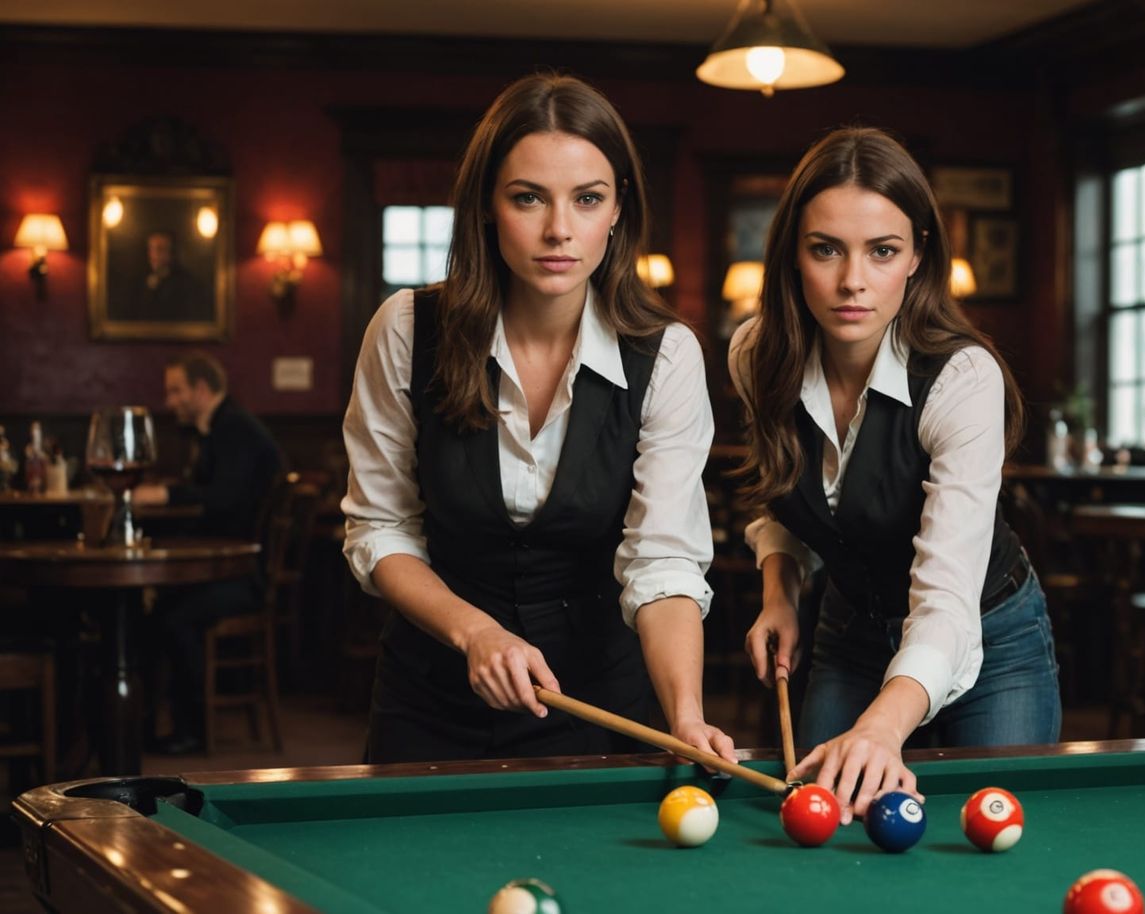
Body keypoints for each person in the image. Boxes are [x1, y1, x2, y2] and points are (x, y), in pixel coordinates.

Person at [341, 73, 735, 765]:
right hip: (430, 700)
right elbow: (380, 528)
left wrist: (685, 715)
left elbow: (663, 561)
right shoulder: (406, 329)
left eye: (588, 199)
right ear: (486, 206)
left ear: (618, 210)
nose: (559, 229)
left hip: (598, 702)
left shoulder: (667, 355)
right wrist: (474, 632)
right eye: (528, 197)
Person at [732, 128, 1059, 823]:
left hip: (988, 637)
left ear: (917, 256)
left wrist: (882, 728)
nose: (852, 280)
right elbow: (782, 496)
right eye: (826, 249)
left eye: (882, 251)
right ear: (791, 254)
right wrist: (779, 592)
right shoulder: (756, 357)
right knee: (821, 825)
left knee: (992, 843)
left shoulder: (963, 379)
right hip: (851, 631)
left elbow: (945, 602)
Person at [133, 352, 283, 753]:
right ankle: (145, 725)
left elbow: (223, 498)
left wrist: (164, 495)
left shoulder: (234, 428)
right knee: (152, 609)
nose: (169, 401)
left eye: (176, 391)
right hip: (229, 569)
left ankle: (191, 733)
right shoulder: (218, 427)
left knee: (171, 616)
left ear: (201, 390)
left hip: (246, 577)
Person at [129, 229, 211, 323]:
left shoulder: (186, 283)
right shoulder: (138, 281)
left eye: (160, 249)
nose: (154, 255)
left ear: (171, 252)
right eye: (151, 249)